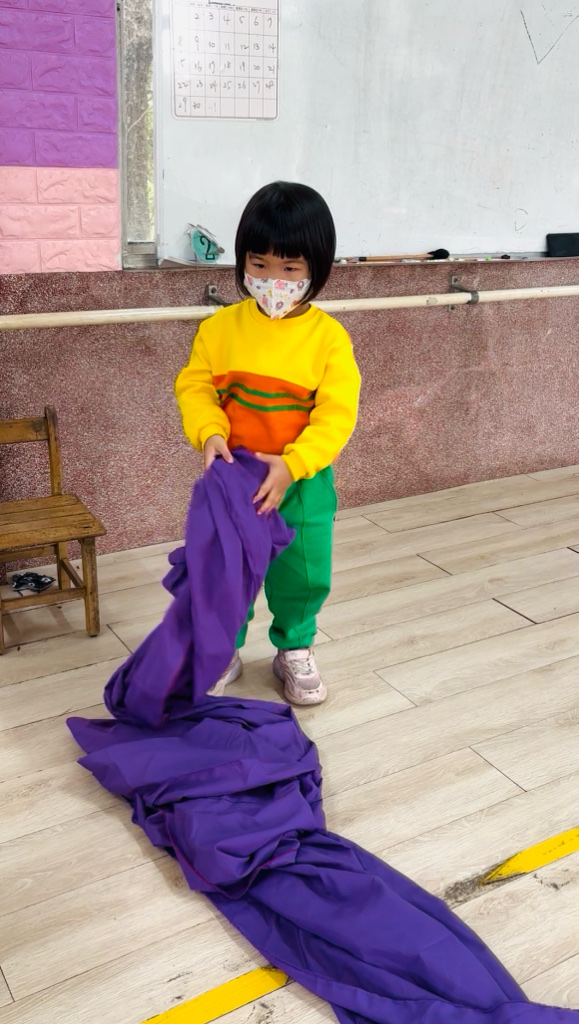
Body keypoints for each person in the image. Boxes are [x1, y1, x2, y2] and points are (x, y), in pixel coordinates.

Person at [175, 181, 361, 706]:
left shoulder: (328, 339)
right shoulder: (220, 329)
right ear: (242, 261)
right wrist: (210, 432)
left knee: (303, 572)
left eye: (290, 268)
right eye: (259, 264)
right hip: (234, 480)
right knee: (225, 572)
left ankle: (295, 648)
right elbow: (195, 385)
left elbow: (336, 415)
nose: (272, 280)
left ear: (316, 270)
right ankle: (222, 648)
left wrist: (294, 464)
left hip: (301, 483)